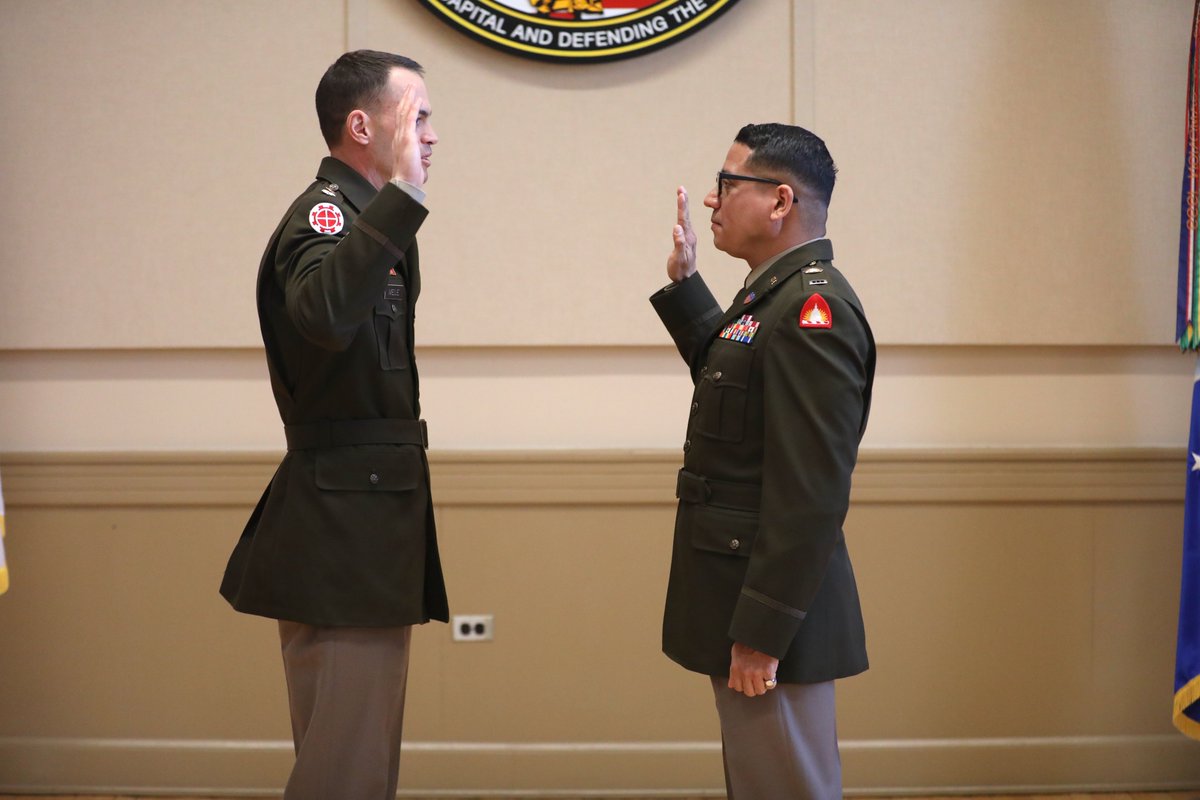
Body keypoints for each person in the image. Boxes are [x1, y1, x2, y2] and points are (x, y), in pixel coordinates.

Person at [219, 50, 448, 800]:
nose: (432, 136)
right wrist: (405, 197)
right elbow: (321, 315)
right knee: (344, 769)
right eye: (417, 116)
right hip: (344, 526)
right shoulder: (327, 215)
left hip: (366, 520)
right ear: (361, 125)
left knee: (358, 761)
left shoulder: (365, 222)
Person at [649, 123, 875, 799]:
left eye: (728, 184)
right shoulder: (770, 298)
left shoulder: (814, 310)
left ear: (780, 202)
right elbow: (734, 388)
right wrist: (688, 286)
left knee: (785, 786)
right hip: (744, 600)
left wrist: (763, 633)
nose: (714, 201)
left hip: (772, 620)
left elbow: (810, 492)